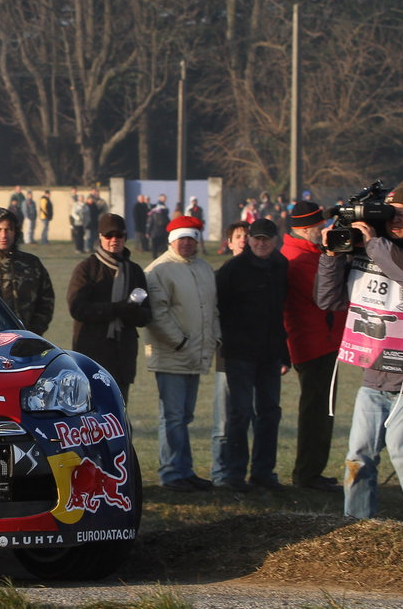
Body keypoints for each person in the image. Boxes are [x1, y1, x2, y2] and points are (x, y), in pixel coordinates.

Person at [315, 176, 403, 521]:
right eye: (389, 214)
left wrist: (375, 242)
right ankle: (358, 528)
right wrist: (333, 255)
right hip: (376, 374)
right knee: (357, 457)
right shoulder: (370, 248)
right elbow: (328, 299)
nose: (395, 221)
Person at [210, 218, 290, 492]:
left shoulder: (280, 266)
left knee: (270, 413)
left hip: (270, 353)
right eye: (256, 238)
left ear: (275, 241)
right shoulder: (232, 269)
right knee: (240, 413)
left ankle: (263, 472)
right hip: (239, 353)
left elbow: (281, 312)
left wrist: (284, 352)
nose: (260, 243)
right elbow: (217, 309)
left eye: (266, 239)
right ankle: (234, 474)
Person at [144, 215, 218, 492]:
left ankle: (184, 469)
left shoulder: (204, 268)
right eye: (181, 238)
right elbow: (158, 314)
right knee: (173, 415)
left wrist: (214, 338)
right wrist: (179, 342)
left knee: (185, 415)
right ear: (171, 240)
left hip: (195, 353)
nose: (186, 243)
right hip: (172, 353)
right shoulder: (159, 270)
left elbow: (212, 309)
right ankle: (172, 472)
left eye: (191, 238)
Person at [280, 200, 343, 493]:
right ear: (305, 230)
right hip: (315, 343)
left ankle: (312, 470)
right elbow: (325, 296)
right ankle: (307, 473)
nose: (323, 232)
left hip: (321, 341)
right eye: (319, 228)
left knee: (321, 409)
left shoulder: (306, 253)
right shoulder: (300, 259)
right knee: (316, 410)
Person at [67, 214, 150, 402]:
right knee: (89, 411)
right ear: (100, 237)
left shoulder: (135, 271)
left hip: (123, 355)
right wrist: (118, 309)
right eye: (109, 235)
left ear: (125, 237)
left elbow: (147, 315)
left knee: (119, 410)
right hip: (91, 353)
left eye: (119, 235)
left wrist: (134, 312)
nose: (114, 240)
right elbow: (78, 308)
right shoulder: (87, 268)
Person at [0, 208, 54, 335]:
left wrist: (33, 332)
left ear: (15, 232)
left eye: (8, 230)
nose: (4, 235)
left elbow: (46, 302)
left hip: (25, 340)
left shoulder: (31, 264)